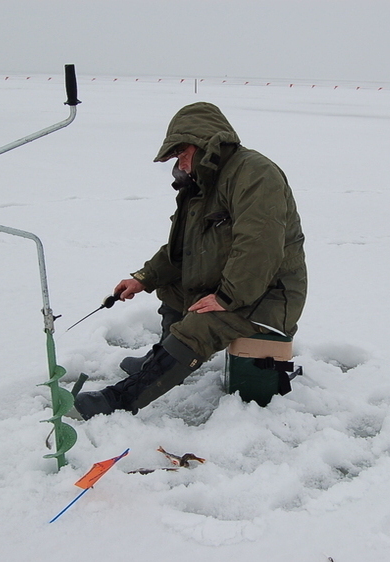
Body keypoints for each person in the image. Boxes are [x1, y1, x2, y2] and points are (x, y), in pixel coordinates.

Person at [73, 102, 307, 419]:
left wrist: (227, 297)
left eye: (181, 155)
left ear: (203, 144)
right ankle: (162, 357)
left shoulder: (255, 174)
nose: (180, 166)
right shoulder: (203, 187)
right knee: (172, 285)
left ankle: (119, 400)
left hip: (268, 294)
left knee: (201, 323)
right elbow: (182, 250)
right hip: (239, 286)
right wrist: (144, 278)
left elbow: (259, 245)